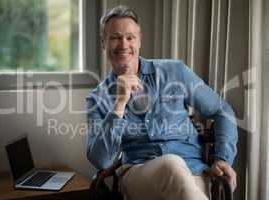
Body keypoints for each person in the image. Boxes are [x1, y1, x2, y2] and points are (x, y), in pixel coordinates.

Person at [86, 5, 237, 200]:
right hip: (139, 174)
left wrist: (223, 157)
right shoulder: (97, 98)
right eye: (115, 37)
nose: (124, 45)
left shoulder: (175, 71)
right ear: (103, 43)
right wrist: (119, 104)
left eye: (130, 37)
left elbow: (222, 110)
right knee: (170, 164)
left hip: (195, 173)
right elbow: (101, 160)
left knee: (178, 173)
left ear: (139, 40)